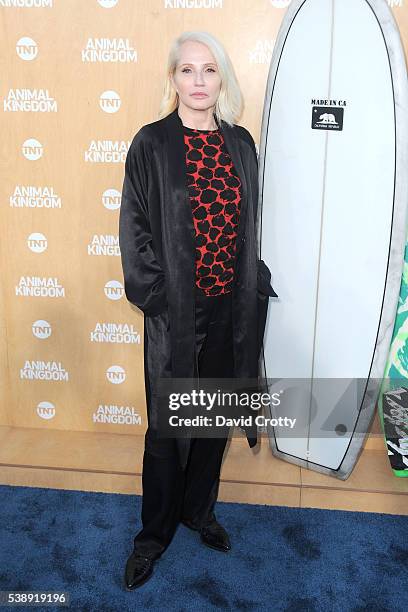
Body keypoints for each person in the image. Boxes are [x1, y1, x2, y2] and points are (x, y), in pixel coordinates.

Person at [119, 30, 277, 591]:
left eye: (209, 70)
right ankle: (152, 536)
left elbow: (247, 226)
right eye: (188, 70)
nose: (199, 81)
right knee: (167, 430)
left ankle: (198, 511)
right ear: (173, 78)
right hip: (176, 312)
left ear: (222, 79)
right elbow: (135, 229)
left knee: (211, 422)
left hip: (230, 309)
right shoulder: (152, 144)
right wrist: (157, 298)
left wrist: (252, 282)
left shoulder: (240, 145)